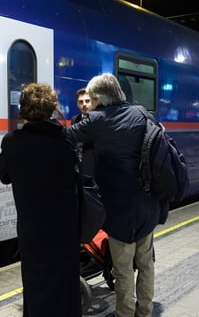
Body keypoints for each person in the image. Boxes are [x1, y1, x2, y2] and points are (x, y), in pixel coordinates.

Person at [66, 73, 159, 317]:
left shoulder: (97, 119)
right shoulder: (141, 113)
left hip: (119, 209)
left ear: (100, 99)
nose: (91, 104)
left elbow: (66, 137)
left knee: (123, 267)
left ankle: (125, 314)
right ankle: (145, 312)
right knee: (146, 264)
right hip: (147, 203)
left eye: (93, 99)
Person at [0, 83, 81, 317]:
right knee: (66, 283)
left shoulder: (13, 141)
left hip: (33, 229)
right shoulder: (66, 137)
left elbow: (2, 174)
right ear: (52, 109)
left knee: (36, 283)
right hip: (64, 226)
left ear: (23, 110)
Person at [71, 87, 95, 177]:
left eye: (87, 101)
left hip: (92, 165)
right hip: (77, 165)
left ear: (93, 101)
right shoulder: (75, 119)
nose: (84, 104)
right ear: (77, 104)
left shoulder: (98, 120)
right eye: (81, 102)